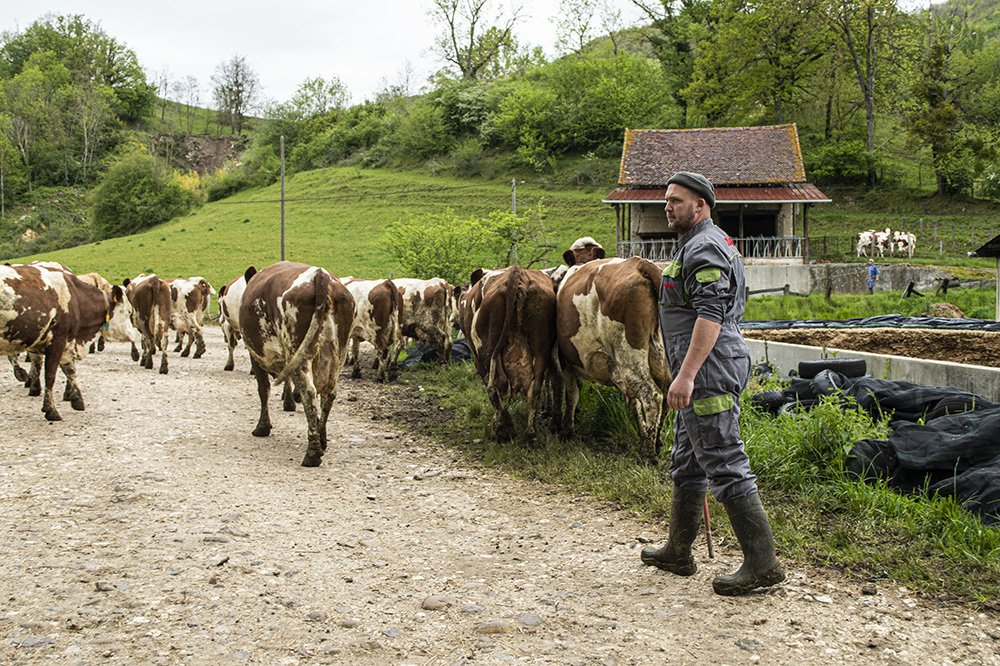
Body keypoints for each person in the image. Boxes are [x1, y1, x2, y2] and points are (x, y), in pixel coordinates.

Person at [640, 171, 785, 596]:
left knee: (722, 457)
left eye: (677, 201)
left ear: (700, 205)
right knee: (688, 458)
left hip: (708, 369)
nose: (668, 207)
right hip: (702, 366)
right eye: (666, 201)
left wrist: (685, 375)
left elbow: (710, 316)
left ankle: (763, 563)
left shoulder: (703, 246)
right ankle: (678, 550)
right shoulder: (698, 243)